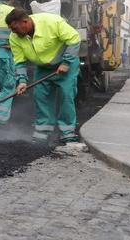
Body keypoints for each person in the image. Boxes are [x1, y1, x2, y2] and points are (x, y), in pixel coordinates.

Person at [5, 8, 81, 143]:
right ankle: (43, 131)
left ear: (25, 22)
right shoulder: (14, 37)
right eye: (11, 29)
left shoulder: (51, 22)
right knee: (40, 96)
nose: (13, 32)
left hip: (64, 65)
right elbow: (19, 60)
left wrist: (66, 62)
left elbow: (74, 38)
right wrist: (22, 81)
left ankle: (67, 133)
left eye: (15, 28)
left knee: (66, 95)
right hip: (43, 68)